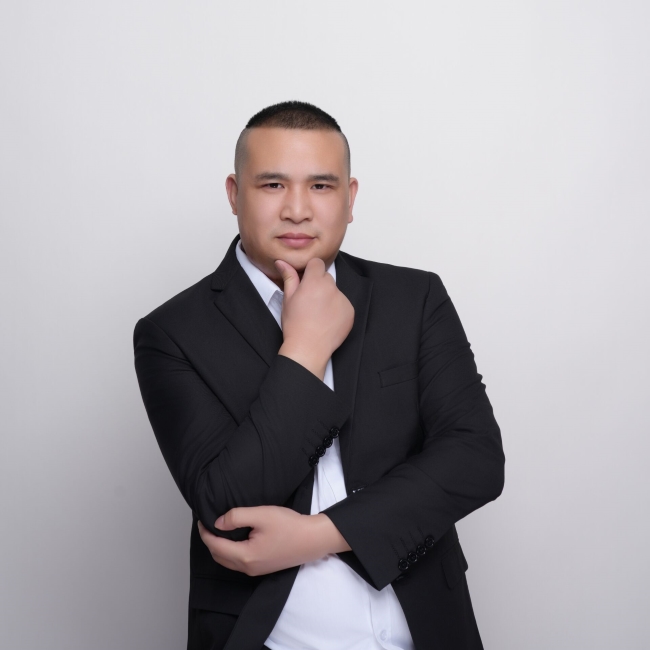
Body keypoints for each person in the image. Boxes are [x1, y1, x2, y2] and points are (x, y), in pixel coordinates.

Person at [133, 100, 505, 650]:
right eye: (272, 185)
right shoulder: (172, 332)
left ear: (350, 199)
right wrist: (306, 349)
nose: (297, 210)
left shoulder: (415, 298)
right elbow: (226, 505)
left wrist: (317, 535)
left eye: (321, 186)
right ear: (234, 194)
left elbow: (476, 459)